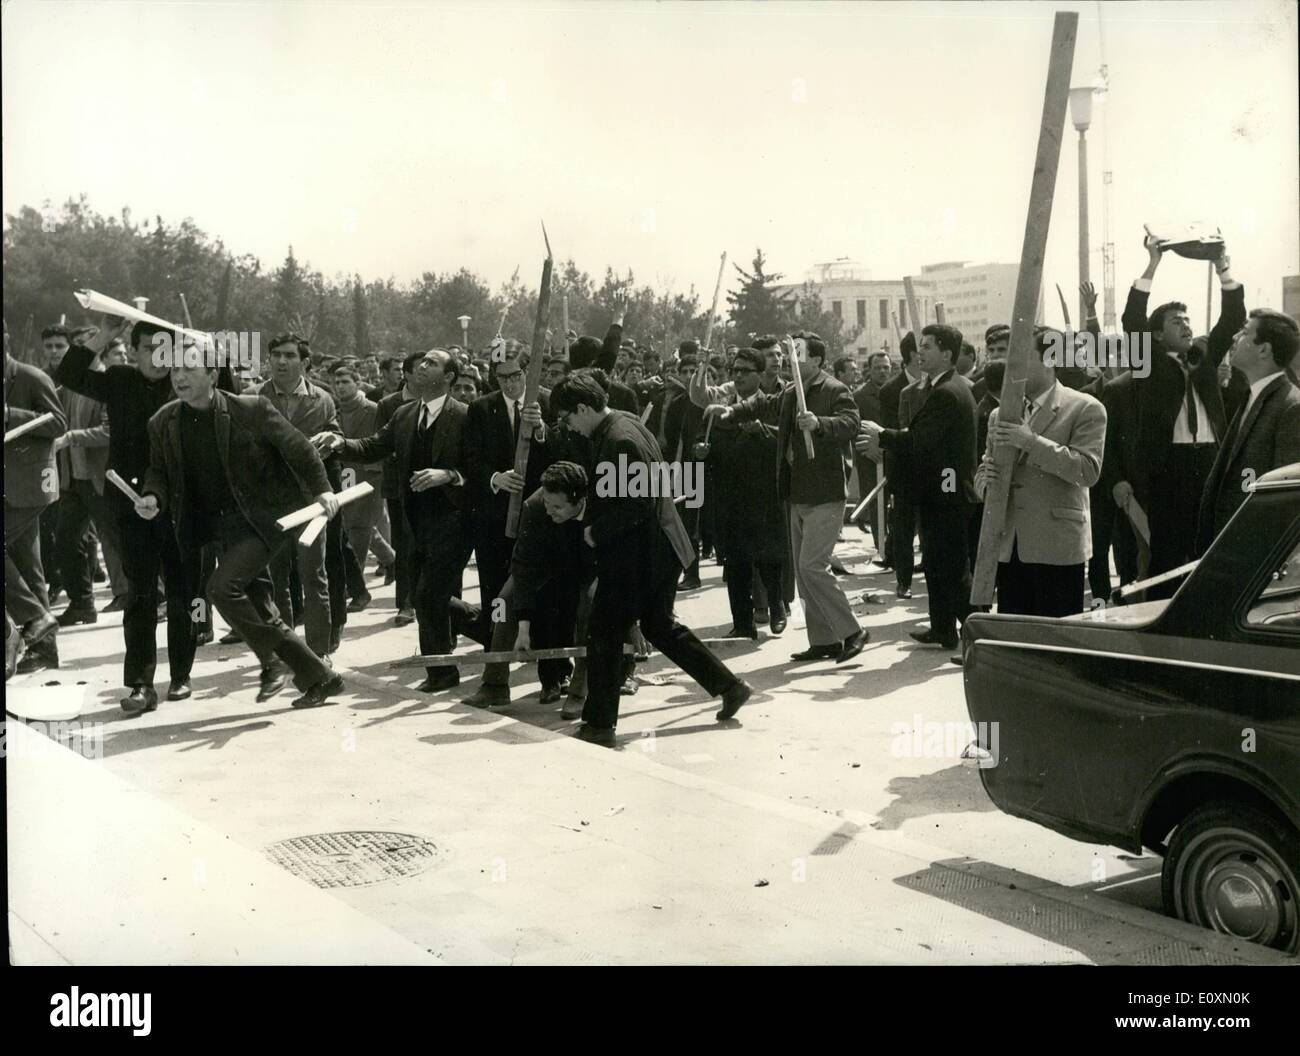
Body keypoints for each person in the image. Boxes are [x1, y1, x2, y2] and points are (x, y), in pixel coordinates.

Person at [549, 374, 752, 746]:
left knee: (605, 632)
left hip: (638, 554)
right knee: (659, 626)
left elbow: (636, 506)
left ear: (582, 408)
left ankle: (599, 724)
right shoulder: (623, 423)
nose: (570, 428)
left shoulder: (619, 440)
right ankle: (730, 686)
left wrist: (595, 531)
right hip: (658, 549)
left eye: (569, 419)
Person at [137, 358, 344, 712]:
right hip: (212, 527)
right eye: (174, 371)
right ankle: (320, 677)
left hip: (261, 519)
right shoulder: (164, 420)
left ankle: (270, 661)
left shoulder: (251, 409)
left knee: (220, 588)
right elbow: (157, 470)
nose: (180, 377)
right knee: (263, 612)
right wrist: (152, 496)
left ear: (213, 375)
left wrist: (322, 489)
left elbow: (299, 448)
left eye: (189, 369)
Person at [55, 319, 201, 705]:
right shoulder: (119, 380)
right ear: (133, 350)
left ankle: (181, 676)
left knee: (184, 592)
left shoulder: (187, 383)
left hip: (182, 504)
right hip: (131, 500)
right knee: (139, 595)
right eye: (148, 348)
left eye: (164, 348)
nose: (157, 357)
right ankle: (140, 683)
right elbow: (68, 373)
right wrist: (103, 334)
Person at [318, 349, 479, 692]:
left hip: (456, 519)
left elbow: (480, 468)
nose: (422, 365)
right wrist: (339, 443)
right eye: (421, 362)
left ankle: (441, 672)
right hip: (415, 520)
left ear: (449, 377)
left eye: (432, 363)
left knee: (428, 594)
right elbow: (373, 446)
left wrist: (448, 474)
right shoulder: (405, 414)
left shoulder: (466, 416)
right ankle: (490, 631)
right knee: (427, 596)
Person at [707, 336, 867, 663]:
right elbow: (762, 404)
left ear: (819, 360)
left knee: (812, 566)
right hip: (796, 492)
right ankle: (823, 640)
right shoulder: (792, 392)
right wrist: (730, 410)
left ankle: (853, 631)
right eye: (791, 354)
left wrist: (820, 423)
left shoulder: (835, 389)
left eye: (800, 354)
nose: (792, 359)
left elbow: (852, 423)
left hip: (826, 492)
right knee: (804, 573)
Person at [1116, 231, 1245, 593]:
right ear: (1156, 335)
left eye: (1187, 320)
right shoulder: (1147, 363)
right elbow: (1132, 318)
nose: (1187, 325)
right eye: (1176, 321)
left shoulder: (1205, 353)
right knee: (1167, 555)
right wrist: (1153, 263)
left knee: (1208, 548)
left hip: (1209, 462)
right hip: (1166, 468)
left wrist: (1223, 267)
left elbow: (1233, 317)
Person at [859, 324, 978, 652]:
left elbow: (922, 440)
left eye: (927, 347)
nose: (918, 352)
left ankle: (978, 636)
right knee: (937, 563)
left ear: (947, 354)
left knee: (951, 567)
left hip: (948, 489)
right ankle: (943, 629)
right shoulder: (947, 387)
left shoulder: (946, 392)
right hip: (943, 486)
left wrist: (882, 434)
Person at [975, 327, 1107, 618]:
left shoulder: (1085, 408)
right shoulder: (1002, 413)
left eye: (1020, 358)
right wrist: (986, 484)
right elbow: (985, 465)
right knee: (1016, 640)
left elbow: (1087, 471)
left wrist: (1030, 442)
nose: (1010, 367)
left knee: (1055, 643)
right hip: (1011, 546)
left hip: (1057, 546)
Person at [462, 461, 594, 709]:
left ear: (578, 501)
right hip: (546, 567)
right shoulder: (534, 506)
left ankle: (580, 690)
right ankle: (494, 684)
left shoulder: (601, 506)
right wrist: (523, 626)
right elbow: (522, 565)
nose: (550, 510)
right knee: (501, 602)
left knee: (590, 608)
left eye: (557, 507)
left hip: (589, 569)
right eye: (547, 503)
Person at [250, 333, 343, 658]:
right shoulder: (253, 397)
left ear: (304, 362)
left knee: (313, 575)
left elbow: (337, 433)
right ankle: (287, 650)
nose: (280, 361)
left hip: (311, 502)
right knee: (276, 579)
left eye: (289, 355)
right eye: (275, 354)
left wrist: (330, 439)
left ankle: (318, 653)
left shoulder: (323, 398)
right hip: (269, 503)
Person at [690, 347, 788, 637]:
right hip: (727, 494)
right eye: (735, 371)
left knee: (768, 557)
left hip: (762, 494)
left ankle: (777, 604)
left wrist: (763, 433)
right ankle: (742, 623)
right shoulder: (720, 406)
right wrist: (701, 452)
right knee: (735, 562)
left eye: (745, 371)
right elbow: (701, 439)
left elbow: (785, 444)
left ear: (760, 374)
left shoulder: (770, 404)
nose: (738, 376)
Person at [462, 353, 551, 647]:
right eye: (503, 378)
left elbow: (563, 450)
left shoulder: (545, 402)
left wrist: (540, 429)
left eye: (516, 375)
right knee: (494, 582)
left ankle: (537, 640)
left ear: (527, 371)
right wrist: (495, 479)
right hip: (495, 513)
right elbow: (470, 458)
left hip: (540, 509)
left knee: (537, 578)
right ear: (494, 378)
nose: (511, 384)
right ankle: (497, 640)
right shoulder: (481, 408)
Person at [1197, 309, 1300, 551]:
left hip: (1253, 556)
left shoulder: (1291, 408)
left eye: (1244, 333)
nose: (1234, 338)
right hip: (1230, 548)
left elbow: (1286, 504)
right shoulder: (1251, 396)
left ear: (1264, 349)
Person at [5, 327, 67, 673]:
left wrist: (12, 415)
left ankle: (34, 617)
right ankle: (44, 649)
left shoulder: (31, 377)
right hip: (7, 489)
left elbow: (58, 423)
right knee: (29, 569)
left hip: (30, 488)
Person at [329, 362, 397, 607]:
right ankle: (391, 560)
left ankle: (354, 584)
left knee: (358, 527)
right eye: (337, 383)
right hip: (346, 471)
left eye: (346, 382)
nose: (340, 387)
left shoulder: (374, 409)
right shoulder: (335, 410)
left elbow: (382, 443)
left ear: (358, 384)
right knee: (360, 524)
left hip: (371, 473)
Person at [877, 332, 924, 595]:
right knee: (904, 527)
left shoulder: (939, 385)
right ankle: (903, 580)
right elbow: (889, 430)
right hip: (905, 469)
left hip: (940, 471)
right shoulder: (891, 391)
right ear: (913, 356)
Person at [851, 350, 891, 547]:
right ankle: (880, 545)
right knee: (876, 503)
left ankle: (893, 544)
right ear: (870, 370)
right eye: (878, 368)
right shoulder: (858, 396)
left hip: (893, 454)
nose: (882, 371)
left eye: (886, 367)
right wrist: (867, 450)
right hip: (870, 458)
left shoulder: (897, 391)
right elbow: (853, 428)